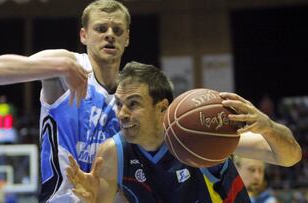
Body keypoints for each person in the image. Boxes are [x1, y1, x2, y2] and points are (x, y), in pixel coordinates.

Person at [66, 61, 302, 203]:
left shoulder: (202, 134)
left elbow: (290, 157)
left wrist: (268, 127)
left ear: (162, 108)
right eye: (118, 104)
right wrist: (90, 200)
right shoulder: (113, 154)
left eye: (134, 104)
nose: (122, 113)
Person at [0, 0, 130, 202]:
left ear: (127, 38)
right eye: (101, 28)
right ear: (84, 35)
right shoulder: (68, 65)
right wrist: (60, 67)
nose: (110, 34)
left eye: (118, 30)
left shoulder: (131, 91)